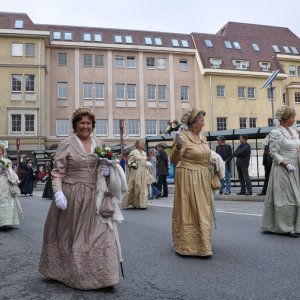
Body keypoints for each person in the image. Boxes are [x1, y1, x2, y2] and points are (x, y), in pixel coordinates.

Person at [39, 107, 124, 290]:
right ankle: (73, 273)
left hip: (95, 196)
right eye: (82, 123)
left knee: (102, 234)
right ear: (75, 126)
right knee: (74, 237)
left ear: (93, 126)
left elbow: (102, 169)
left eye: (88, 123)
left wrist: (107, 170)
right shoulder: (66, 144)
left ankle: (104, 276)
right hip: (73, 195)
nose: (85, 126)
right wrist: (58, 192)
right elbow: (57, 173)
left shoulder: (100, 144)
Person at [171, 108, 214, 257]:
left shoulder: (202, 137)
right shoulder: (182, 136)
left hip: (202, 177)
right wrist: (177, 147)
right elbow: (175, 160)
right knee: (190, 209)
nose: (203, 123)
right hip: (188, 176)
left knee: (203, 209)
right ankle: (187, 244)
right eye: (201, 121)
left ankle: (203, 243)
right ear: (194, 123)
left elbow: (205, 154)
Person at [261, 106, 300, 237]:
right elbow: (273, 152)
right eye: (292, 117)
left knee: (297, 197)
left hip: (296, 167)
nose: (294, 119)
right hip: (284, 168)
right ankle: (287, 227)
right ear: (285, 118)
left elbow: (296, 147)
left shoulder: (294, 132)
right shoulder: (276, 132)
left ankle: (296, 226)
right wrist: (285, 163)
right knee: (288, 198)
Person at [0, 144, 23, 228]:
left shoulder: (7, 161)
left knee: (7, 199)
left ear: (3, 151)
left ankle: (7, 222)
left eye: (1, 150)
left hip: (5, 181)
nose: (0, 151)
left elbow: (10, 171)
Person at [122, 139, 148, 209]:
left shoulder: (144, 153)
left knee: (143, 188)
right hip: (136, 171)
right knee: (136, 187)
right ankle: (134, 202)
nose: (143, 144)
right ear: (137, 144)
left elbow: (145, 162)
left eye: (143, 143)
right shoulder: (133, 152)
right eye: (141, 143)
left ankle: (142, 204)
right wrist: (133, 165)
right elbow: (130, 161)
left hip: (143, 171)